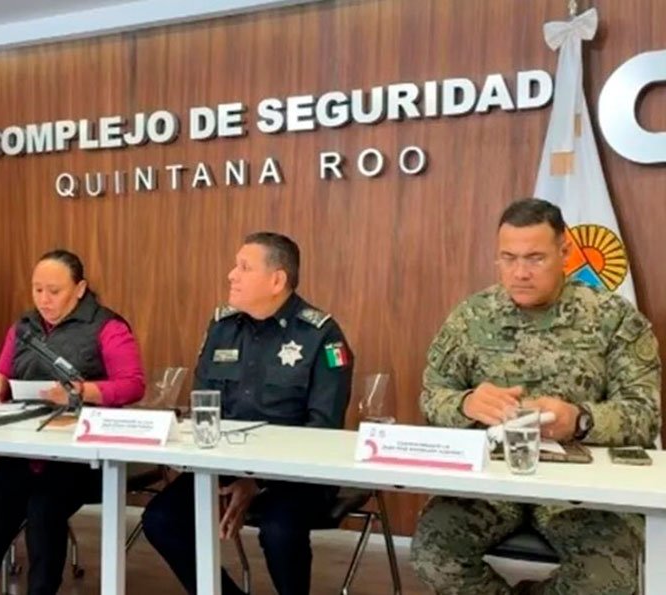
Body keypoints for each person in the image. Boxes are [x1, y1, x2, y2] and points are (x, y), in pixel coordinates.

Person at [411, 198, 661, 595]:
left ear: (565, 252)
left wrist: (580, 420)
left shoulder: (613, 317)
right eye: (508, 258)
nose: (520, 273)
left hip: (581, 488)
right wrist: (466, 403)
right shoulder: (472, 317)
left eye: (535, 258)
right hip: (492, 481)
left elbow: (644, 414)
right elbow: (432, 395)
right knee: (434, 555)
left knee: (606, 578)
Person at [142, 232, 353, 595]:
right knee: (161, 519)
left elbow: (322, 431)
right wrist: (216, 471)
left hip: (297, 473)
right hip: (224, 465)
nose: (231, 275)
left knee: (279, 528)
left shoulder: (321, 335)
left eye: (244, 267)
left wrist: (257, 481)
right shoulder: (222, 327)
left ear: (277, 280)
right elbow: (204, 408)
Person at [0, 249, 145, 595]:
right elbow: (3, 372)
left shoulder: (108, 327)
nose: (44, 299)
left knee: (43, 509)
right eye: (37, 289)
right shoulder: (23, 327)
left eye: (54, 291)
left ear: (80, 289)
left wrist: (82, 391)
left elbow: (133, 385)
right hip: (25, 446)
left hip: (80, 454)